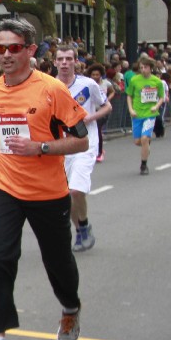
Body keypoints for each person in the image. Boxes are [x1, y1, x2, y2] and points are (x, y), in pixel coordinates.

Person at [0, 18, 89, 340]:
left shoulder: (52, 90)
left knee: (58, 261)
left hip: (48, 193)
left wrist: (40, 147)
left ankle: (70, 307)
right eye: (0, 48)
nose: (5, 55)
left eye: (13, 48)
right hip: (6, 186)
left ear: (31, 50)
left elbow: (81, 141)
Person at [55, 46, 111, 251]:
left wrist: (90, 117)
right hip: (61, 146)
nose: (64, 63)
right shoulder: (49, 86)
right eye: (60, 59)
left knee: (76, 190)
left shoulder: (88, 84)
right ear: (55, 62)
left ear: (75, 62)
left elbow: (107, 106)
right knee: (65, 195)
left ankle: (84, 224)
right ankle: (80, 230)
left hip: (86, 143)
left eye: (68, 59)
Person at [125, 56, 165, 175]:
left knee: (144, 138)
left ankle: (144, 165)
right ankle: (146, 145)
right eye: (141, 67)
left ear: (151, 68)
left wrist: (156, 106)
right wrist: (131, 109)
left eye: (145, 67)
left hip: (150, 114)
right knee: (138, 142)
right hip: (137, 114)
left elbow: (162, 97)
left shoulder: (157, 81)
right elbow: (129, 96)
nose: (143, 70)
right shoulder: (134, 80)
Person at [86, 62, 113, 162]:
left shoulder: (105, 83)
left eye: (97, 74)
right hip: (92, 111)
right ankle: (94, 148)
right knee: (93, 131)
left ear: (101, 75)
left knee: (98, 129)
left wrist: (107, 99)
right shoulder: (88, 84)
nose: (95, 76)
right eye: (93, 74)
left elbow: (112, 91)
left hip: (102, 111)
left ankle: (99, 152)